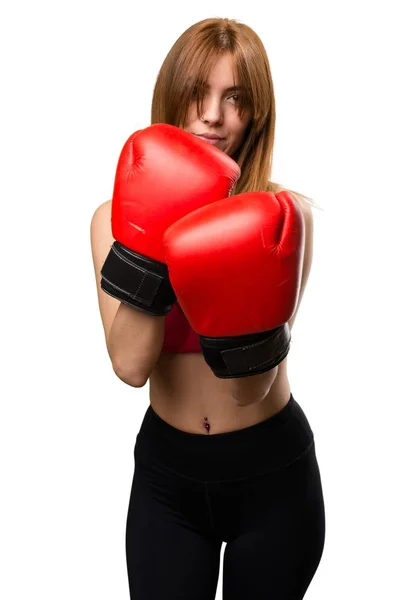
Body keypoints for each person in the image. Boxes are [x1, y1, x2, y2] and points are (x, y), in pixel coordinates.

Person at [90, 16, 325, 600]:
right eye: (198, 94)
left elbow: (250, 387)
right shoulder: (113, 220)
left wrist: (225, 244)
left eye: (234, 99)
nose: (212, 115)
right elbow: (130, 366)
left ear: (256, 115)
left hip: (272, 475)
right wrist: (161, 230)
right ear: (172, 97)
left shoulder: (284, 218)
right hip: (169, 479)